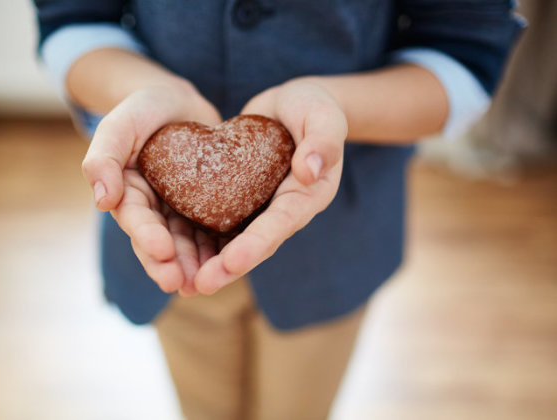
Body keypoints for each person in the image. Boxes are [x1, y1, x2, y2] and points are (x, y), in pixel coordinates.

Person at [33, 1, 523, 419]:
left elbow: (465, 53)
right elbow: (73, 18)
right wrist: (143, 91)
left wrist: (330, 106)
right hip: (161, 241)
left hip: (336, 241)